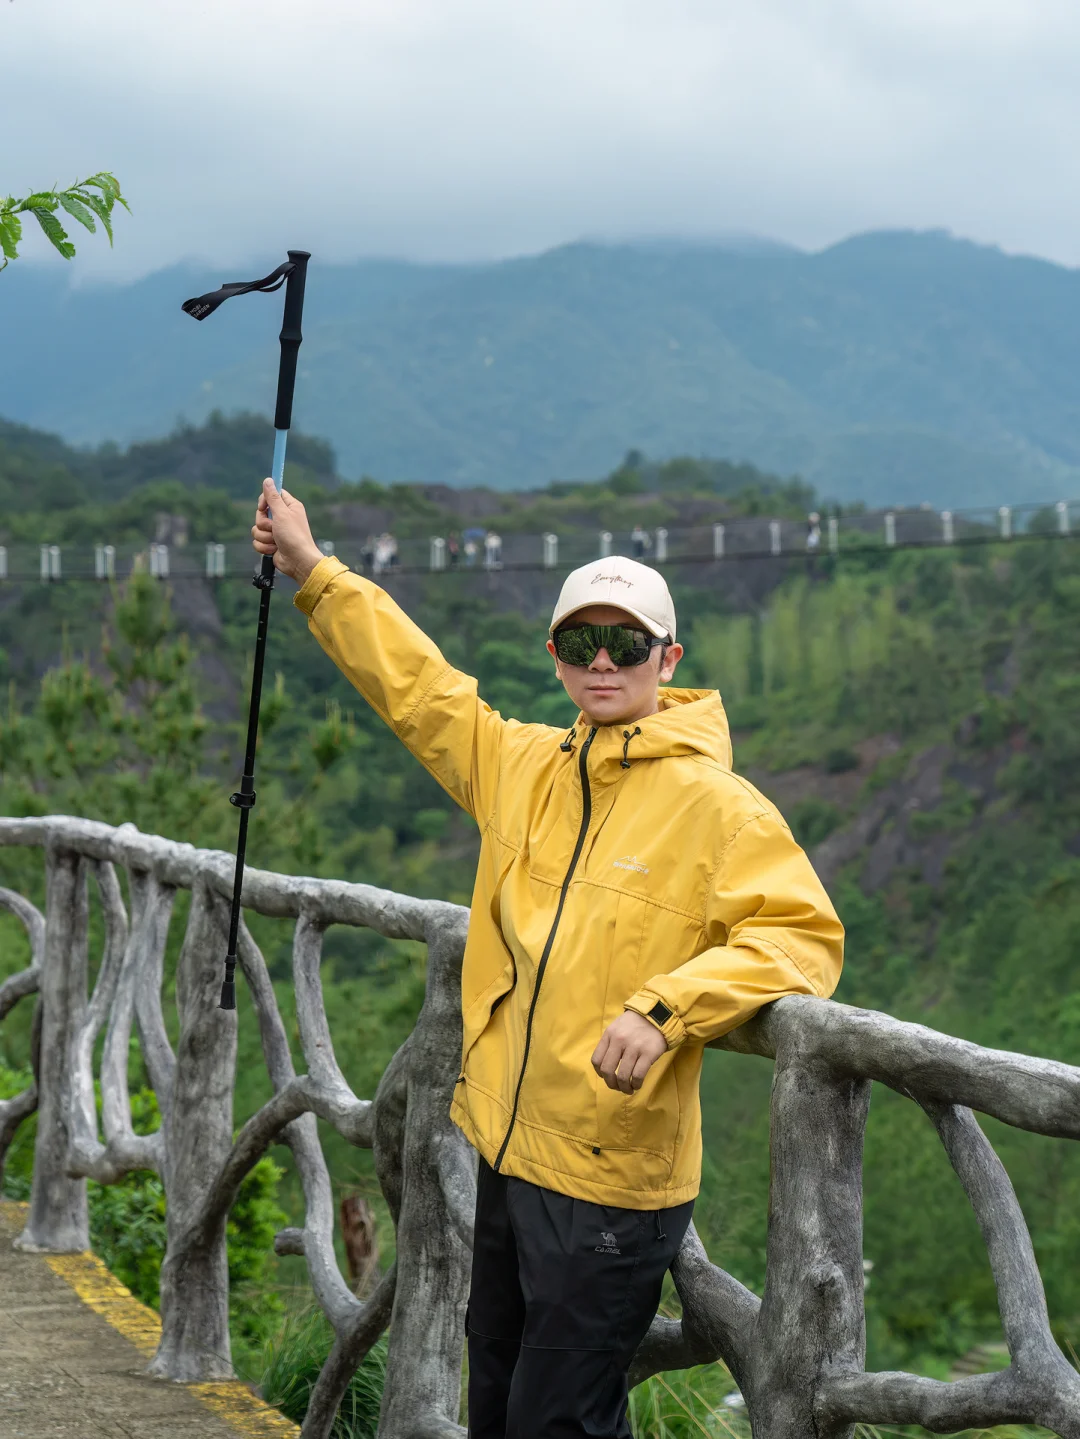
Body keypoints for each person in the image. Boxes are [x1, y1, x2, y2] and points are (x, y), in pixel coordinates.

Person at [251, 478, 844, 1439]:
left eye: (628, 643)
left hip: (614, 1178)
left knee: (559, 1420)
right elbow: (420, 690)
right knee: (498, 1402)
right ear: (556, 655)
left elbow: (804, 939)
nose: (603, 661)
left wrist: (667, 1009)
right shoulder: (523, 767)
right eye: (580, 642)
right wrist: (316, 573)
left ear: (669, 658)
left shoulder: (721, 808)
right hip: (507, 1150)